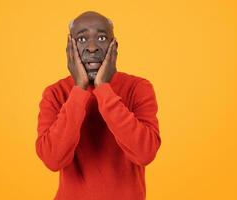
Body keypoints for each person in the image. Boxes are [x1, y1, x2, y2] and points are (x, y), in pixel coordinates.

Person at [35, 11, 162, 200]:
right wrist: (79, 89)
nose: (92, 47)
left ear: (114, 47)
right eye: (82, 39)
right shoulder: (55, 93)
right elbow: (52, 159)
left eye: (101, 37)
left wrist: (103, 89)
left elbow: (145, 153)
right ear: (69, 49)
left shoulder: (138, 88)